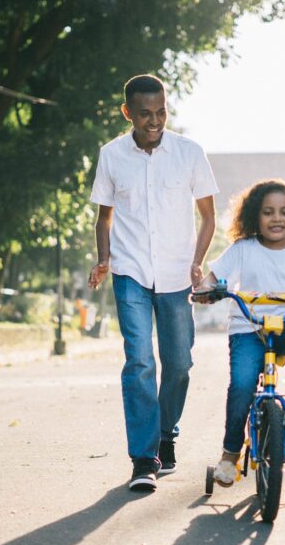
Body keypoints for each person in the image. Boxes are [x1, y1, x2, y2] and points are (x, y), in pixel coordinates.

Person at [88, 74, 218, 492]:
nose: (155, 121)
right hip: (130, 273)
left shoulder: (189, 153)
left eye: (161, 112)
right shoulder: (111, 155)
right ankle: (144, 458)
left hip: (178, 274)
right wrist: (104, 259)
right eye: (145, 114)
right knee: (140, 361)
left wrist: (198, 262)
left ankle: (166, 435)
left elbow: (208, 216)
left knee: (179, 364)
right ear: (128, 113)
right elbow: (104, 217)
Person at [196, 179, 285, 487]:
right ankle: (230, 455)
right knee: (242, 385)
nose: (277, 218)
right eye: (268, 212)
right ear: (256, 216)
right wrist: (206, 289)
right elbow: (214, 277)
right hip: (248, 329)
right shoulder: (243, 249)